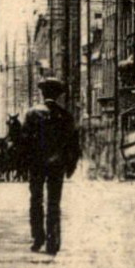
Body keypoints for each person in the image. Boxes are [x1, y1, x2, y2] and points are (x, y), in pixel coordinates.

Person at [21, 77, 81, 256]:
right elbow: (73, 144)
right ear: (59, 95)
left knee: (36, 200)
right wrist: (70, 166)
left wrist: (24, 164)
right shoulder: (65, 116)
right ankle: (53, 241)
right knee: (54, 202)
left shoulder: (32, 114)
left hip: (37, 165)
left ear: (42, 93)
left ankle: (38, 237)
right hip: (57, 165)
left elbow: (24, 142)